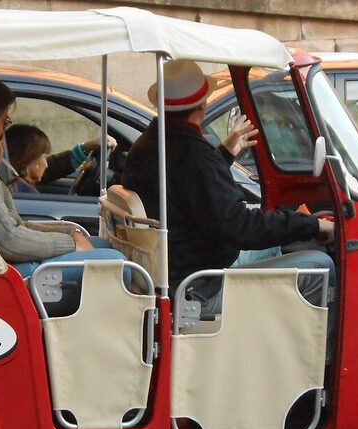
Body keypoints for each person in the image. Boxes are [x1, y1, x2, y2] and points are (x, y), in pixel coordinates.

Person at [122, 60, 335, 310]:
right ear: (201, 106)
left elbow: (188, 189)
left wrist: (224, 153)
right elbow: (240, 227)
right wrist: (313, 225)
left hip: (180, 270)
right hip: (200, 286)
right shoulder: (193, 155)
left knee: (279, 243)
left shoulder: (147, 146)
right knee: (321, 264)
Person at [0, 73, 125, 283]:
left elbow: (15, 225)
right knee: (117, 263)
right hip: (3, 272)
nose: (2, 133)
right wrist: (70, 243)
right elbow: (9, 238)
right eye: (4, 123)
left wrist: (68, 232)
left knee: (105, 247)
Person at [4, 124, 51, 193]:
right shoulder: (27, 193)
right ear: (29, 159)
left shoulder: (13, 187)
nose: (46, 165)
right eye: (44, 157)